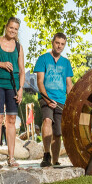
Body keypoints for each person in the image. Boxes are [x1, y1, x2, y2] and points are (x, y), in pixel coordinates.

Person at [0, 17, 26, 167]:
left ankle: (11, 157)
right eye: (11, 28)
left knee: (12, 121)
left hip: (12, 85)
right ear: (6, 27)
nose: (13, 31)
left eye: (15, 29)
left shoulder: (19, 47)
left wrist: (20, 89)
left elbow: (22, 71)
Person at [34, 33, 75, 167]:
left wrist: (73, 102)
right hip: (46, 98)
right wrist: (47, 99)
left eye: (62, 44)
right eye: (57, 43)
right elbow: (40, 82)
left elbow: (69, 84)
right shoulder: (43, 59)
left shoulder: (66, 62)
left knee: (57, 132)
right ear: (53, 42)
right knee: (47, 120)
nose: (59, 46)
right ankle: (46, 155)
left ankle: (55, 160)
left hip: (61, 101)